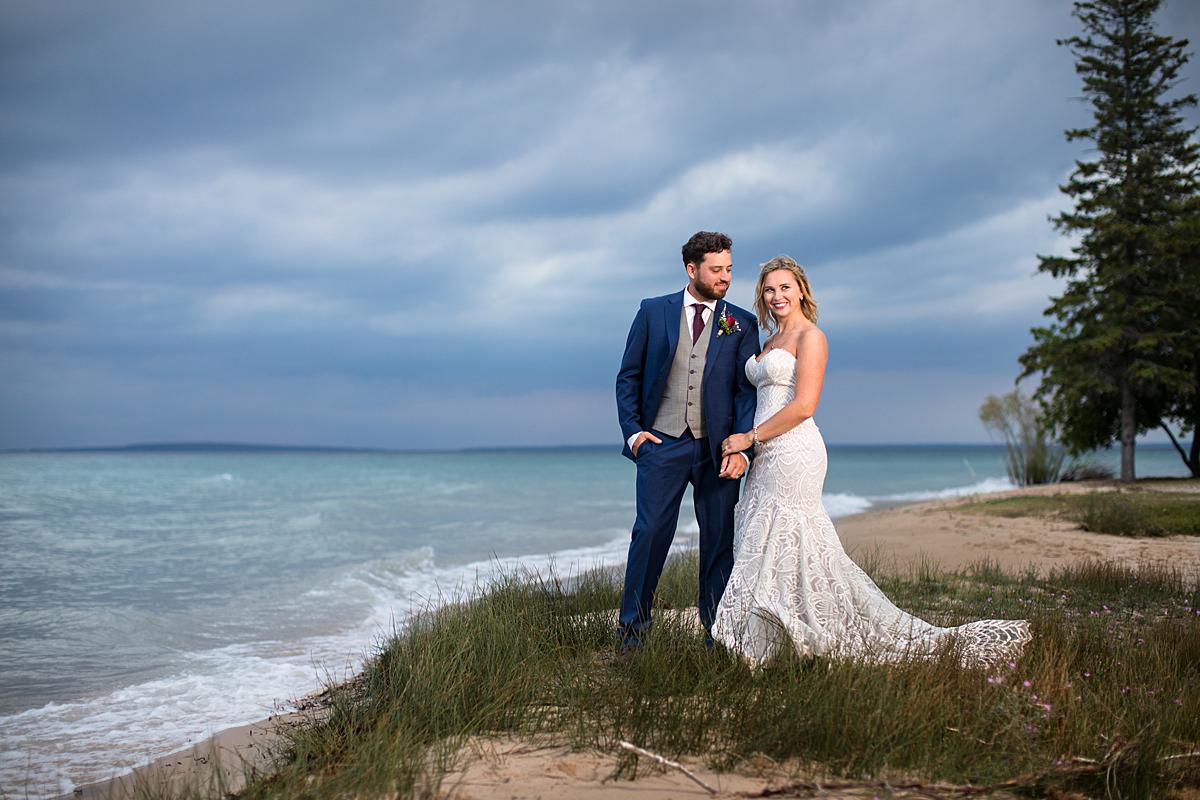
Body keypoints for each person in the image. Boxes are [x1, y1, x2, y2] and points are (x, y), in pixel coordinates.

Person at [712, 256, 1031, 666]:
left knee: (790, 534)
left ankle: (808, 633)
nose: (777, 296)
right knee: (768, 539)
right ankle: (780, 637)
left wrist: (749, 437)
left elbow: (805, 405)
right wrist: (747, 444)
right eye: (770, 289)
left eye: (785, 287)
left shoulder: (812, 337)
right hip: (764, 455)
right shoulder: (768, 341)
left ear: (802, 290)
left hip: (793, 450)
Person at [615, 231, 760, 648]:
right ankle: (632, 635)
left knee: (718, 540)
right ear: (691, 268)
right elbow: (629, 377)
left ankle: (718, 636)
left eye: (729, 269)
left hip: (719, 448)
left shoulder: (741, 323)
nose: (726, 278)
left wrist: (742, 447)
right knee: (650, 532)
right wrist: (634, 433)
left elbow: (745, 392)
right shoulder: (652, 311)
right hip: (662, 442)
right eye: (717, 270)